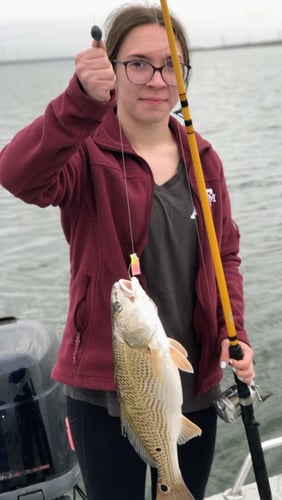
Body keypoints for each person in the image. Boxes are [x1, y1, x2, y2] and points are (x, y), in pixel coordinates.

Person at [0, 4, 255, 500]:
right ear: (110, 67)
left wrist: (234, 330)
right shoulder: (83, 153)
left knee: (179, 489)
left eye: (171, 65)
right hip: (102, 390)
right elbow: (17, 174)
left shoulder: (202, 158)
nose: (157, 79)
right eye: (139, 63)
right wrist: (78, 102)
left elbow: (225, 255)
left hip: (190, 380)